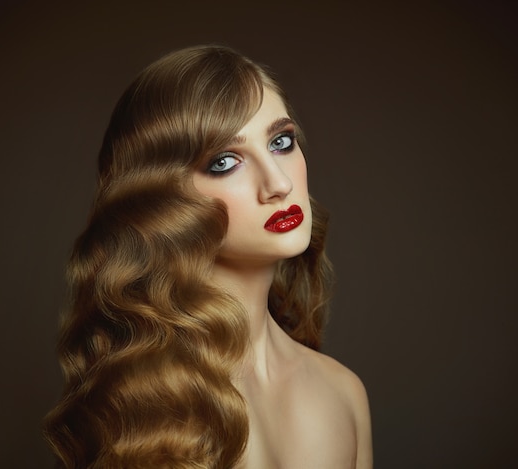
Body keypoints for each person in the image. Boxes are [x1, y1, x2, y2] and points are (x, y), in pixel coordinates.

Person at [44, 44, 372, 469]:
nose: (277, 183)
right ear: (164, 201)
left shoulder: (344, 393)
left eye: (281, 141)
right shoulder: (133, 412)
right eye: (224, 162)